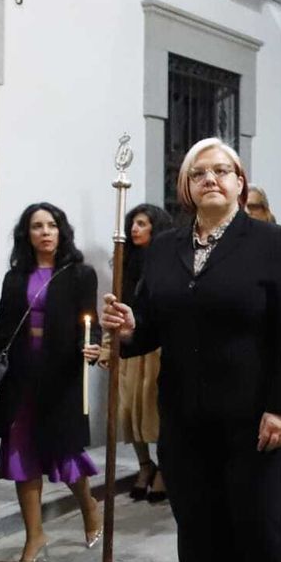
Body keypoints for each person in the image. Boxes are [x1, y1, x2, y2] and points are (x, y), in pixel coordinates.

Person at [100, 138, 281, 562]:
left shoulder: (271, 243)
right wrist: (127, 329)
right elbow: (152, 325)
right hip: (186, 419)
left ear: (241, 182)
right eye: (200, 173)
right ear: (186, 187)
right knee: (201, 537)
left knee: (264, 534)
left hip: (256, 420)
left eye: (223, 171)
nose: (212, 180)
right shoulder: (166, 249)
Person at [0, 204, 103, 562]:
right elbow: (2, 327)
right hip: (22, 377)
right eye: (37, 226)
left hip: (60, 377)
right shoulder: (16, 278)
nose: (45, 232)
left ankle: (89, 507)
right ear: (26, 234)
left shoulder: (80, 274)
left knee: (64, 454)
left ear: (62, 231)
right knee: (21, 455)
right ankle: (35, 537)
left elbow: (88, 323)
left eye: (51, 225)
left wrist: (91, 349)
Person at [113, 204, 174, 504]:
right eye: (132, 223)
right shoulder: (127, 261)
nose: (135, 229)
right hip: (130, 347)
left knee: (154, 413)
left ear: (156, 227)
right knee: (128, 412)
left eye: (142, 223)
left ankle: (163, 468)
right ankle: (144, 465)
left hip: (155, 347)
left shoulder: (165, 260)